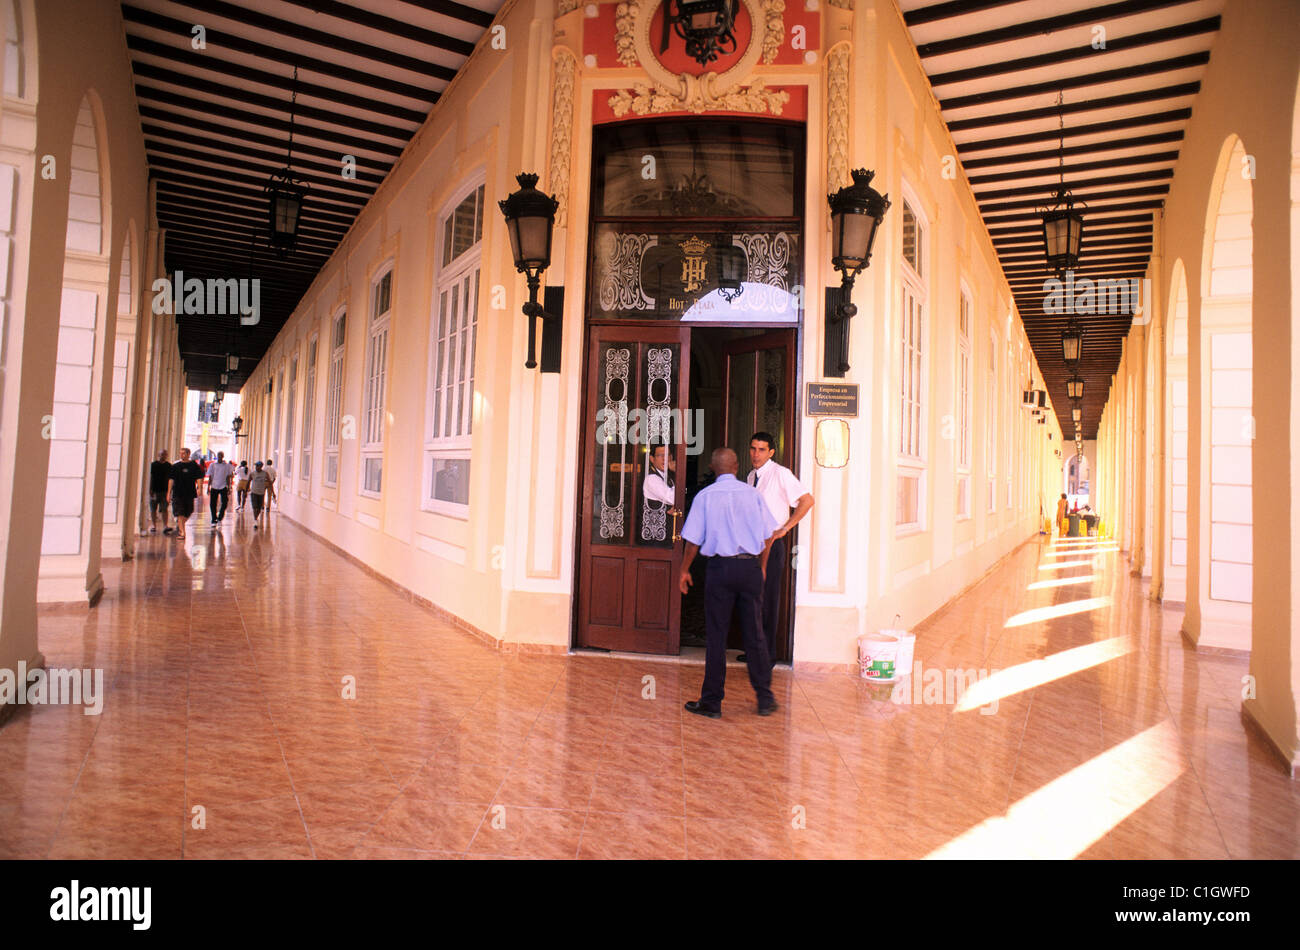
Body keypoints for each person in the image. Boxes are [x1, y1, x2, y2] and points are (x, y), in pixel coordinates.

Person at [679, 447, 780, 718]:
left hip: (720, 570)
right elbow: (769, 534)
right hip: (749, 567)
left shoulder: (705, 496)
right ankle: (765, 698)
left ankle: (712, 703)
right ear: (736, 467)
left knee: (716, 636)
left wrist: (684, 570)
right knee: (755, 633)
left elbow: (692, 540)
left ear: (713, 468)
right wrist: (760, 566)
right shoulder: (753, 495)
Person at [737, 431, 814, 666]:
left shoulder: (780, 474)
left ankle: (767, 654)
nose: (755, 454)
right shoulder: (751, 476)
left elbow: (807, 500)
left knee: (768, 599)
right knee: (752, 599)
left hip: (771, 546)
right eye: (753, 448)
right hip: (752, 546)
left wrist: (786, 528)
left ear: (771, 452)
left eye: (761, 450)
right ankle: (753, 651)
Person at [167, 447, 205, 541]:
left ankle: (180, 524)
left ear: (188, 454)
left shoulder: (193, 465)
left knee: (189, 511)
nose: (182, 455)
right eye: (181, 453)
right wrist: (168, 492)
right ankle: (182, 532)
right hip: (178, 492)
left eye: (184, 453)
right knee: (180, 512)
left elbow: (199, 477)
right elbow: (171, 479)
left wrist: (200, 488)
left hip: (189, 492)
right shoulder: (176, 466)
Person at [206, 451, 234, 524]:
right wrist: (208, 487)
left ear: (223, 456)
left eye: (221, 455)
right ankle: (213, 518)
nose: (219, 457)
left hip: (223, 486)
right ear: (217, 456)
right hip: (214, 486)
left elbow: (228, 477)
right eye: (218, 455)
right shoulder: (212, 465)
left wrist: (229, 487)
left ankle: (220, 516)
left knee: (225, 502)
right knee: (213, 503)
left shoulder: (227, 466)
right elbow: (210, 476)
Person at [148, 449, 172, 534]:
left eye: (165, 454)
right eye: (162, 454)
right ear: (158, 455)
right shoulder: (153, 465)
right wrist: (150, 489)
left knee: (164, 508)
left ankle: (165, 525)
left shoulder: (169, 466)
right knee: (153, 509)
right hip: (154, 490)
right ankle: (153, 525)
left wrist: (169, 491)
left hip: (164, 491)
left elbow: (170, 479)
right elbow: (151, 477)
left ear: (167, 456)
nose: (163, 456)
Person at [248, 461, 270, 529]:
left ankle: (256, 518)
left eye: (258, 466)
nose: (256, 467)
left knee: (259, 508)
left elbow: (270, 482)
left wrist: (273, 493)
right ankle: (255, 520)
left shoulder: (265, 474)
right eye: (256, 466)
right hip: (254, 492)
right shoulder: (252, 473)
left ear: (261, 466)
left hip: (261, 493)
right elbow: (249, 481)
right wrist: (247, 489)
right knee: (255, 507)